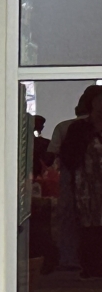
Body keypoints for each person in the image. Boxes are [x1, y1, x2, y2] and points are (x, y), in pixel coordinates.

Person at [60, 89, 102, 278]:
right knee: (88, 226)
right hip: (85, 185)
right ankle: (90, 266)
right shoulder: (79, 128)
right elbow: (68, 157)